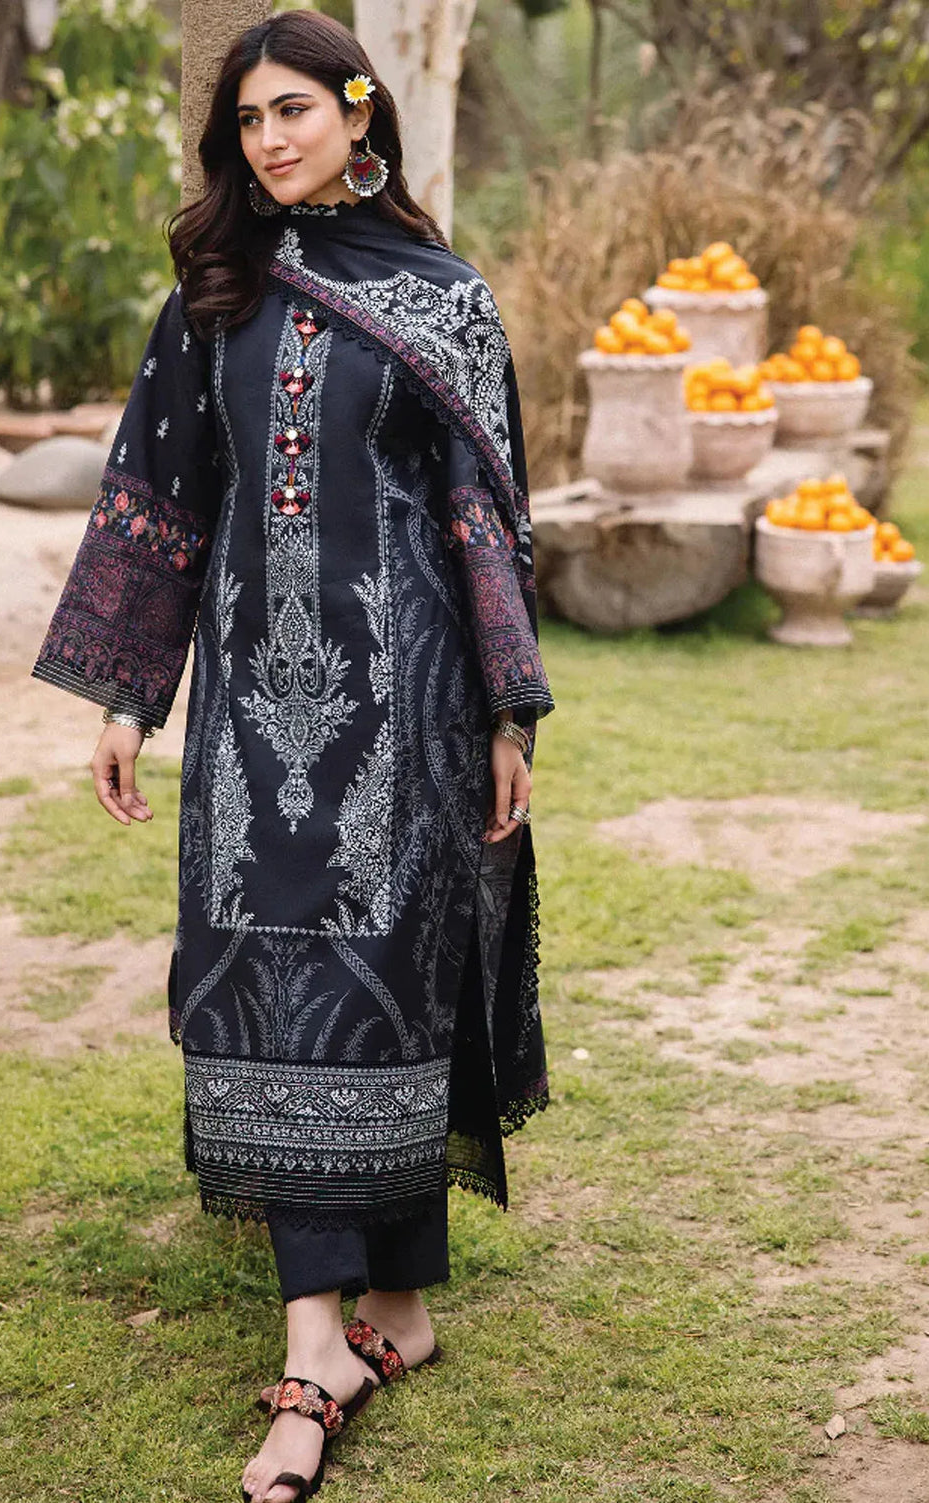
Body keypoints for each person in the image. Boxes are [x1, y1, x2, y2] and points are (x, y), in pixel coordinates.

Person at [30, 12, 555, 1501]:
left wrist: (507, 710)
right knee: (263, 983)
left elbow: (484, 516)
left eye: (293, 112)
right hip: (252, 714)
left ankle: (397, 1308)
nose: (268, 141)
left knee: (392, 987)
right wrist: (128, 697)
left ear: (356, 112)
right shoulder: (216, 293)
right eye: (248, 121)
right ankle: (315, 1341)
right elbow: (160, 496)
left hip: (410, 705)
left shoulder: (446, 299)